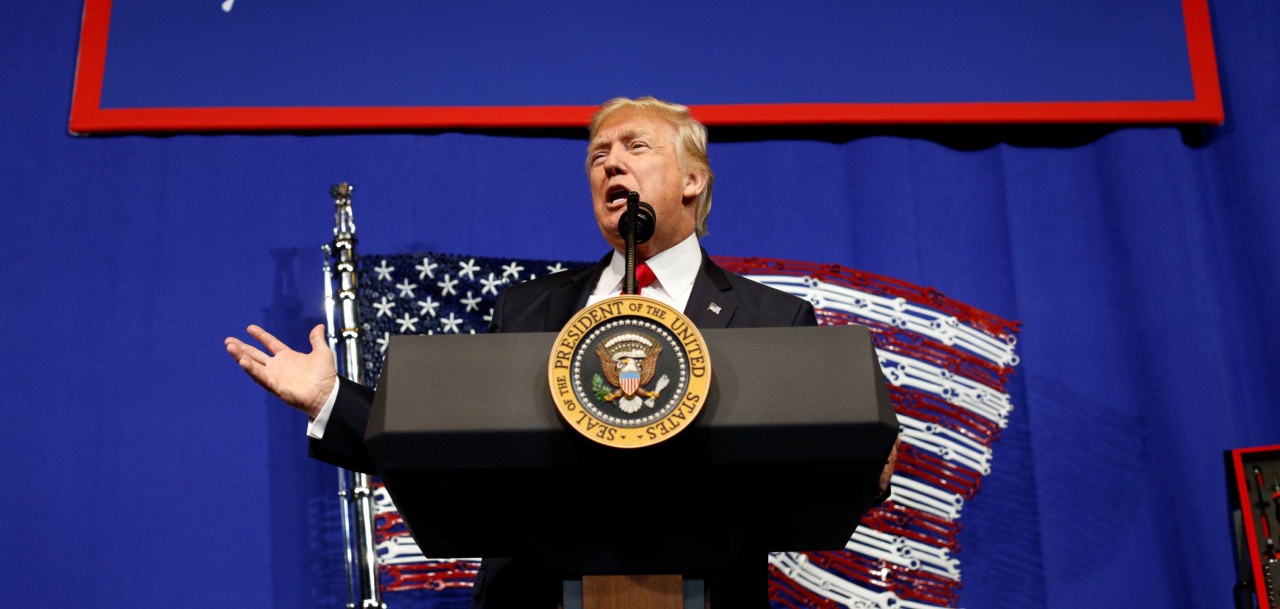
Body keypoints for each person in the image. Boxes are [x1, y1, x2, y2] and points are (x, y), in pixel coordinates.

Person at [225, 96, 899, 608]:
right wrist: (331, 400)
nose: (611, 163)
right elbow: (446, 448)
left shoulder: (772, 319)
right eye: (598, 155)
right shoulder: (528, 312)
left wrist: (861, 462)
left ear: (693, 180)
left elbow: (810, 472)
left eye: (635, 147)